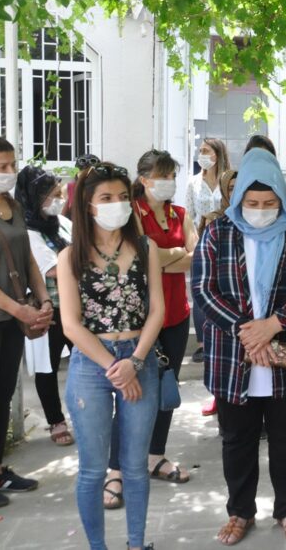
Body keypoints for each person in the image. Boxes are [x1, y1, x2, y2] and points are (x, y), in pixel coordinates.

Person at [192, 148, 286, 545]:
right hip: (234, 355)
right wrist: (246, 331)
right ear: (238, 199)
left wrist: (274, 323)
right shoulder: (218, 232)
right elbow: (203, 289)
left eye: (269, 203)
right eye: (252, 203)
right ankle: (240, 511)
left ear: (282, 198)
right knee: (237, 440)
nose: (261, 210)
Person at [59, 160, 164, 550]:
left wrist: (134, 362)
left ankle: (136, 543)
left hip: (139, 357)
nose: (116, 204)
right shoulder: (70, 256)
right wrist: (115, 367)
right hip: (92, 364)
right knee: (92, 470)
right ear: (88, 204)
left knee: (135, 466)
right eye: (106, 197)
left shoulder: (146, 248)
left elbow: (158, 311)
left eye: (122, 196)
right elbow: (71, 325)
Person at [106, 149, 196, 496]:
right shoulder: (133, 212)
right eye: (162, 175)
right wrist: (173, 255)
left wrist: (161, 256)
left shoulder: (180, 213)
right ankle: (116, 468)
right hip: (140, 319)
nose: (168, 182)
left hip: (176, 315)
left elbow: (196, 256)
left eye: (172, 175)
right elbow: (142, 259)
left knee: (166, 388)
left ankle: (155, 456)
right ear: (144, 179)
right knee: (131, 392)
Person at [0, 135, 54, 509]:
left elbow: (27, 260)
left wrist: (43, 299)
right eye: (2, 166)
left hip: (12, 320)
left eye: (12, 164)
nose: (10, 172)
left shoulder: (12, 205)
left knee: (2, 394)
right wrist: (17, 309)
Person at [15, 166, 75, 447]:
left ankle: (86, 411)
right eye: (53, 195)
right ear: (35, 197)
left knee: (85, 361)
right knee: (47, 367)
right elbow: (51, 270)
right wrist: (82, 264)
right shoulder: (27, 230)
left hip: (75, 307)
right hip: (48, 309)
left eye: (60, 193)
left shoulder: (62, 222)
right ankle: (56, 420)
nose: (59, 199)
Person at [187, 138, 231, 363]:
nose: (202, 154)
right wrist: (192, 243)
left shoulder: (229, 179)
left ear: (218, 154)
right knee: (200, 291)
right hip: (201, 242)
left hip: (227, 243)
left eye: (206, 150)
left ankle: (223, 336)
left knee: (224, 290)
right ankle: (203, 344)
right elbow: (189, 215)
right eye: (200, 150)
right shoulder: (193, 182)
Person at [198, 169, 237, 418]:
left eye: (239, 187)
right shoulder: (213, 221)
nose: (235, 192)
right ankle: (218, 397)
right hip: (218, 297)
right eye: (230, 188)